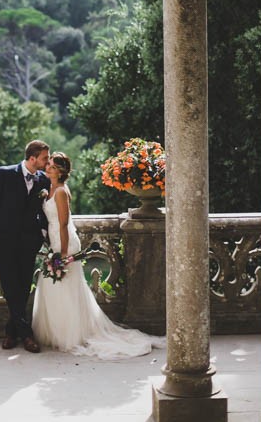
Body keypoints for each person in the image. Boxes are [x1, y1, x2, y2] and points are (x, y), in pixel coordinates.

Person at [32, 151, 165, 358]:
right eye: (48, 164)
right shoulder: (50, 188)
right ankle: (59, 331)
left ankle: (72, 334)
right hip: (55, 242)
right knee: (55, 286)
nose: (47, 168)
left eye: (52, 166)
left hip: (65, 242)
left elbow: (64, 223)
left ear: (60, 172)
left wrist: (64, 253)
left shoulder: (60, 192)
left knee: (66, 287)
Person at [0, 139, 50, 353]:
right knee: (10, 286)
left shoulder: (43, 181)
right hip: (3, 240)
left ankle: (11, 332)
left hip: (29, 242)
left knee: (22, 286)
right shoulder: (4, 174)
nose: (47, 162)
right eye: (44, 158)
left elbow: (43, 212)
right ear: (32, 158)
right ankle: (26, 335)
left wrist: (43, 234)